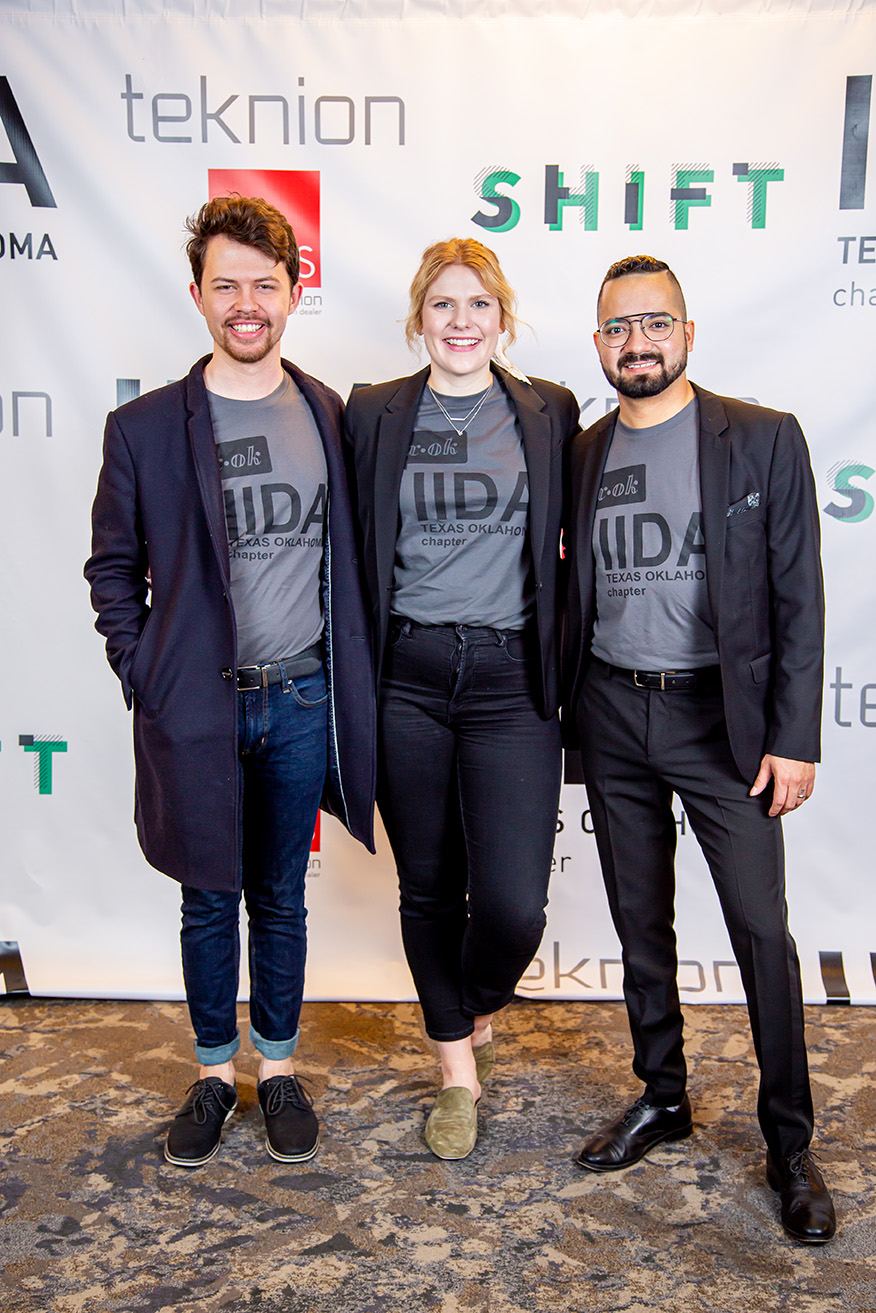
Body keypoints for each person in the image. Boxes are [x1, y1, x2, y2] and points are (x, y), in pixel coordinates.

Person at [85, 195, 375, 1169]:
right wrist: (150, 676)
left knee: (281, 894)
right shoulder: (146, 427)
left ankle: (279, 1066)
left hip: (300, 697)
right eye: (227, 285)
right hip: (198, 707)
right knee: (208, 897)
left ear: (293, 289)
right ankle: (214, 1073)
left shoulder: (327, 411)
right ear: (201, 293)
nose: (246, 303)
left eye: (264, 282)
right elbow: (112, 572)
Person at [563, 254, 835, 1243]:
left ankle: (789, 1139)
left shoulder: (760, 439)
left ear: (687, 332)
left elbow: (800, 597)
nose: (638, 343)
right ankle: (663, 1095)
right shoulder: (583, 452)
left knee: (761, 931)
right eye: (619, 329)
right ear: (599, 346)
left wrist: (795, 738)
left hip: (725, 725)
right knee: (643, 923)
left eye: (655, 323)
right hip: (613, 713)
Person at [344, 238, 580, 1159]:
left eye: (478, 303)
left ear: (503, 316)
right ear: (417, 318)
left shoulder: (547, 411)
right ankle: (456, 1072)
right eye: (442, 304)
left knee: (515, 904)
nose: (460, 320)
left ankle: (471, 1002)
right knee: (430, 885)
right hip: (406, 672)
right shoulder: (374, 413)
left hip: (511, 677)